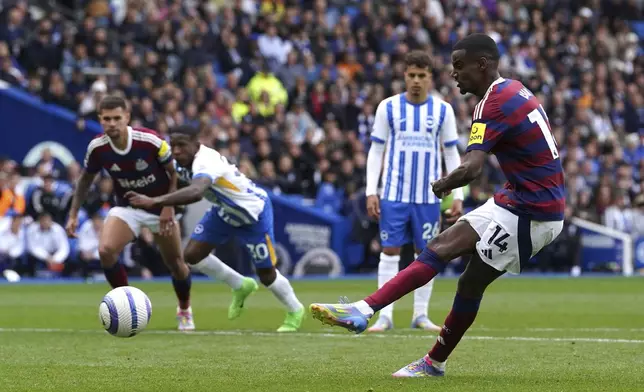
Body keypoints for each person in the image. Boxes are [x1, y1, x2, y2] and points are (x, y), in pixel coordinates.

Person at [309, 33, 566, 377]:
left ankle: (431, 362)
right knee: (441, 247)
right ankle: (364, 310)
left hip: (534, 213)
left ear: (483, 64)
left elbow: (473, 167)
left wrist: (444, 185)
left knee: (469, 281)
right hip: (518, 197)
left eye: (460, 66)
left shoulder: (492, 103)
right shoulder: (514, 88)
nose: (454, 73)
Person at [126, 125, 305, 332]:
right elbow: (177, 180)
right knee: (192, 255)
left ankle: (295, 309)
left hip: (252, 213)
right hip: (225, 211)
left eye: (182, 145)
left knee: (266, 274)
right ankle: (240, 284)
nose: (176, 151)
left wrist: (155, 201)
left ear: (196, 144)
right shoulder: (183, 161)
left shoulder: (206, 160)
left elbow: (196, 191)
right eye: (173, 145)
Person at [65, 95, 195, 331]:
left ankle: (184, 309)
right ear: (100, 120)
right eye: (107, 119)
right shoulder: (97, 147)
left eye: (117, 118)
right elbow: (85, 180)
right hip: (128, 207)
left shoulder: (150, 140)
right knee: (105, 250)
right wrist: (73, 213)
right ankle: (125, 304)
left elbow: (174, 172)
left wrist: (168, 206)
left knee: (176, 264)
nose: (112, 123)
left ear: (127, 117)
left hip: (160, 207)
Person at [365, 50, 464, 332]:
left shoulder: (443, 110)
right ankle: (384, 315)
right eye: (412, 75)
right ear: (404, 76)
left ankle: (420, 315)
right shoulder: (388, 108)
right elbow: (376, 150)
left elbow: (451, 154)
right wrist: (371, 191)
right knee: (390, 249)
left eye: (422, 75)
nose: (417, 81)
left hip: (428, 197)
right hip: (394, 193)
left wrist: (458, 194)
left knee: (427, 253)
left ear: (430, 78)